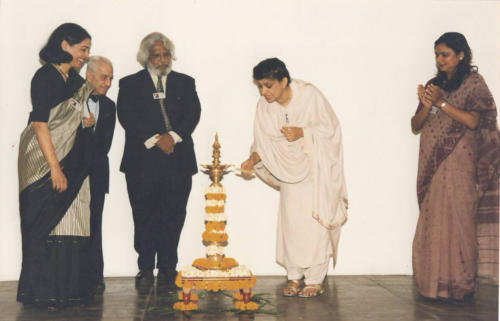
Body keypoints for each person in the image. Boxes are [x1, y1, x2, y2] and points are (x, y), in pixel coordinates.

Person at [240, 58, 348, 298]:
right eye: (260, 86)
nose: (264, 92)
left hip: (313, 170)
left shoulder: (309, 95)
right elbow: (264, 143)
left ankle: (315, 280)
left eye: (268, 86)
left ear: (284, 80)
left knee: (314, 224)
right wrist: (253, 159)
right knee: (291, 227)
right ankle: (294, 277)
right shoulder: (263, 106)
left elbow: (331, 130)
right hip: (288, 174)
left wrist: (303, 133)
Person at [411, 32, 499, 300]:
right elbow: (415, 126)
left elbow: (473, 122)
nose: (439, 60)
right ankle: (432, 284)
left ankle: (459, 285)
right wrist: (427, 104)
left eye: (445, 54)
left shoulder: (473, 83)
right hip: (433, 164)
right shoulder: (434, 84)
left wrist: (441, 102)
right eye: (437, 55)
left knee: (459, 221)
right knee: (433, 220)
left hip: (461, 162)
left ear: (461, 55)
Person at [17, 23, 95, 310]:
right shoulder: (45, 76)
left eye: (88, 50)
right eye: (82, 49)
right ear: (65, 45)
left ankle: (61, 291)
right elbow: (40, 124)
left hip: (65, 155)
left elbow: (72, 115)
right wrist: (55, 168)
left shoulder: (72, 80)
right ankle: (39, 294)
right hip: (42, 159)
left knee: (62, 224)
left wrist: (84, 120)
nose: (86, 55)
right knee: (40, 225)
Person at [117, 32, 201, 290]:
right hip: (142, 162)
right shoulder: (129, 83)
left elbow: (193, 114)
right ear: (146, 58)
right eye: (156, 55)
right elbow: (127, 117)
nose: (162, 59)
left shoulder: (185, 82)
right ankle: (144, 268)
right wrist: (156, 138)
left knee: (174, 215)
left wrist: (173, 137)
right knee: (143, 216)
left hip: (177, 161)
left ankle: (168, 268)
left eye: (166, 54)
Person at [84, 56, 116, 294]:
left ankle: (95, 275)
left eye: (111, 78)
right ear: (89, 75)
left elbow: (104, 146)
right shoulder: (71, 100)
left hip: (96, 175)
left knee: (95, 225)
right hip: (70, 175)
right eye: (104, 77)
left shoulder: (109, 106)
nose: (108, 83)